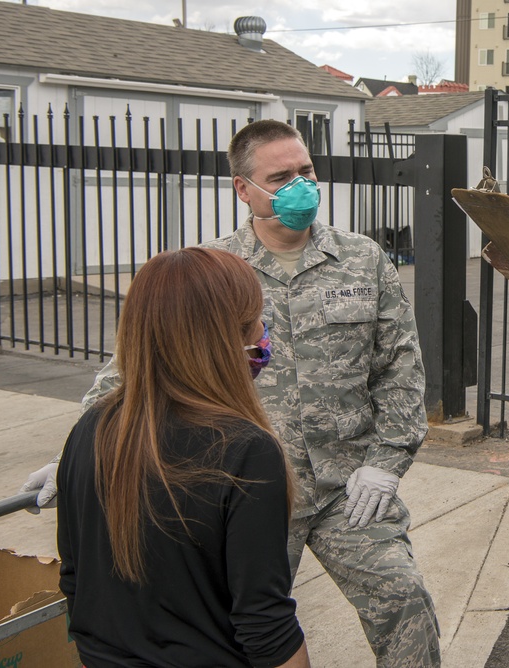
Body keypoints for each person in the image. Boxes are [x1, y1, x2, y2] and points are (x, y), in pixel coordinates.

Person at [26, 120, 441, 667]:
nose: (302, 186)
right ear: (244, 189)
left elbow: (401, 369)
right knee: (240, 632)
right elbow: (134, 367)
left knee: (405, 603)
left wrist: (387, 461)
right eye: (282, 176)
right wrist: (78, 452)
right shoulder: (214, 272)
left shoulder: (363, 258)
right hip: (248, 489)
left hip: (349, 486)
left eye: (307, 171)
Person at [56, 247, 310, 667]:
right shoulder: (246, 449)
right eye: (257, 321)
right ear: (227, 337)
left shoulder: (90, 429)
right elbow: (266, 625)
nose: (264, 332)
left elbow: (76, 583)